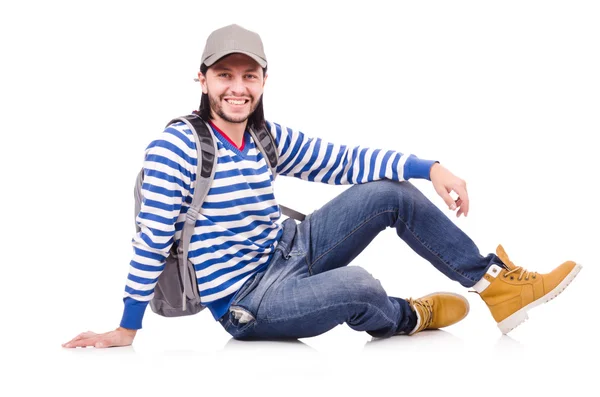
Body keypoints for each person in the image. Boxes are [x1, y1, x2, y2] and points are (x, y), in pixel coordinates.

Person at [62, 24, 582, 348]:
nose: (237, 88)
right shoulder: (176, 147)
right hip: (249, 302)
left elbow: (343, 161)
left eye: (249, 76)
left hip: (290, 250)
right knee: (357, 285)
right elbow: (150, 239)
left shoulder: (263, 136)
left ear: (264, 81)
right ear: (202, 80)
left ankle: (497, 285)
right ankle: (405, 317)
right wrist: (126, 328)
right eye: (225, 75)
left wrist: (430, 167)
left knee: (390, 192)